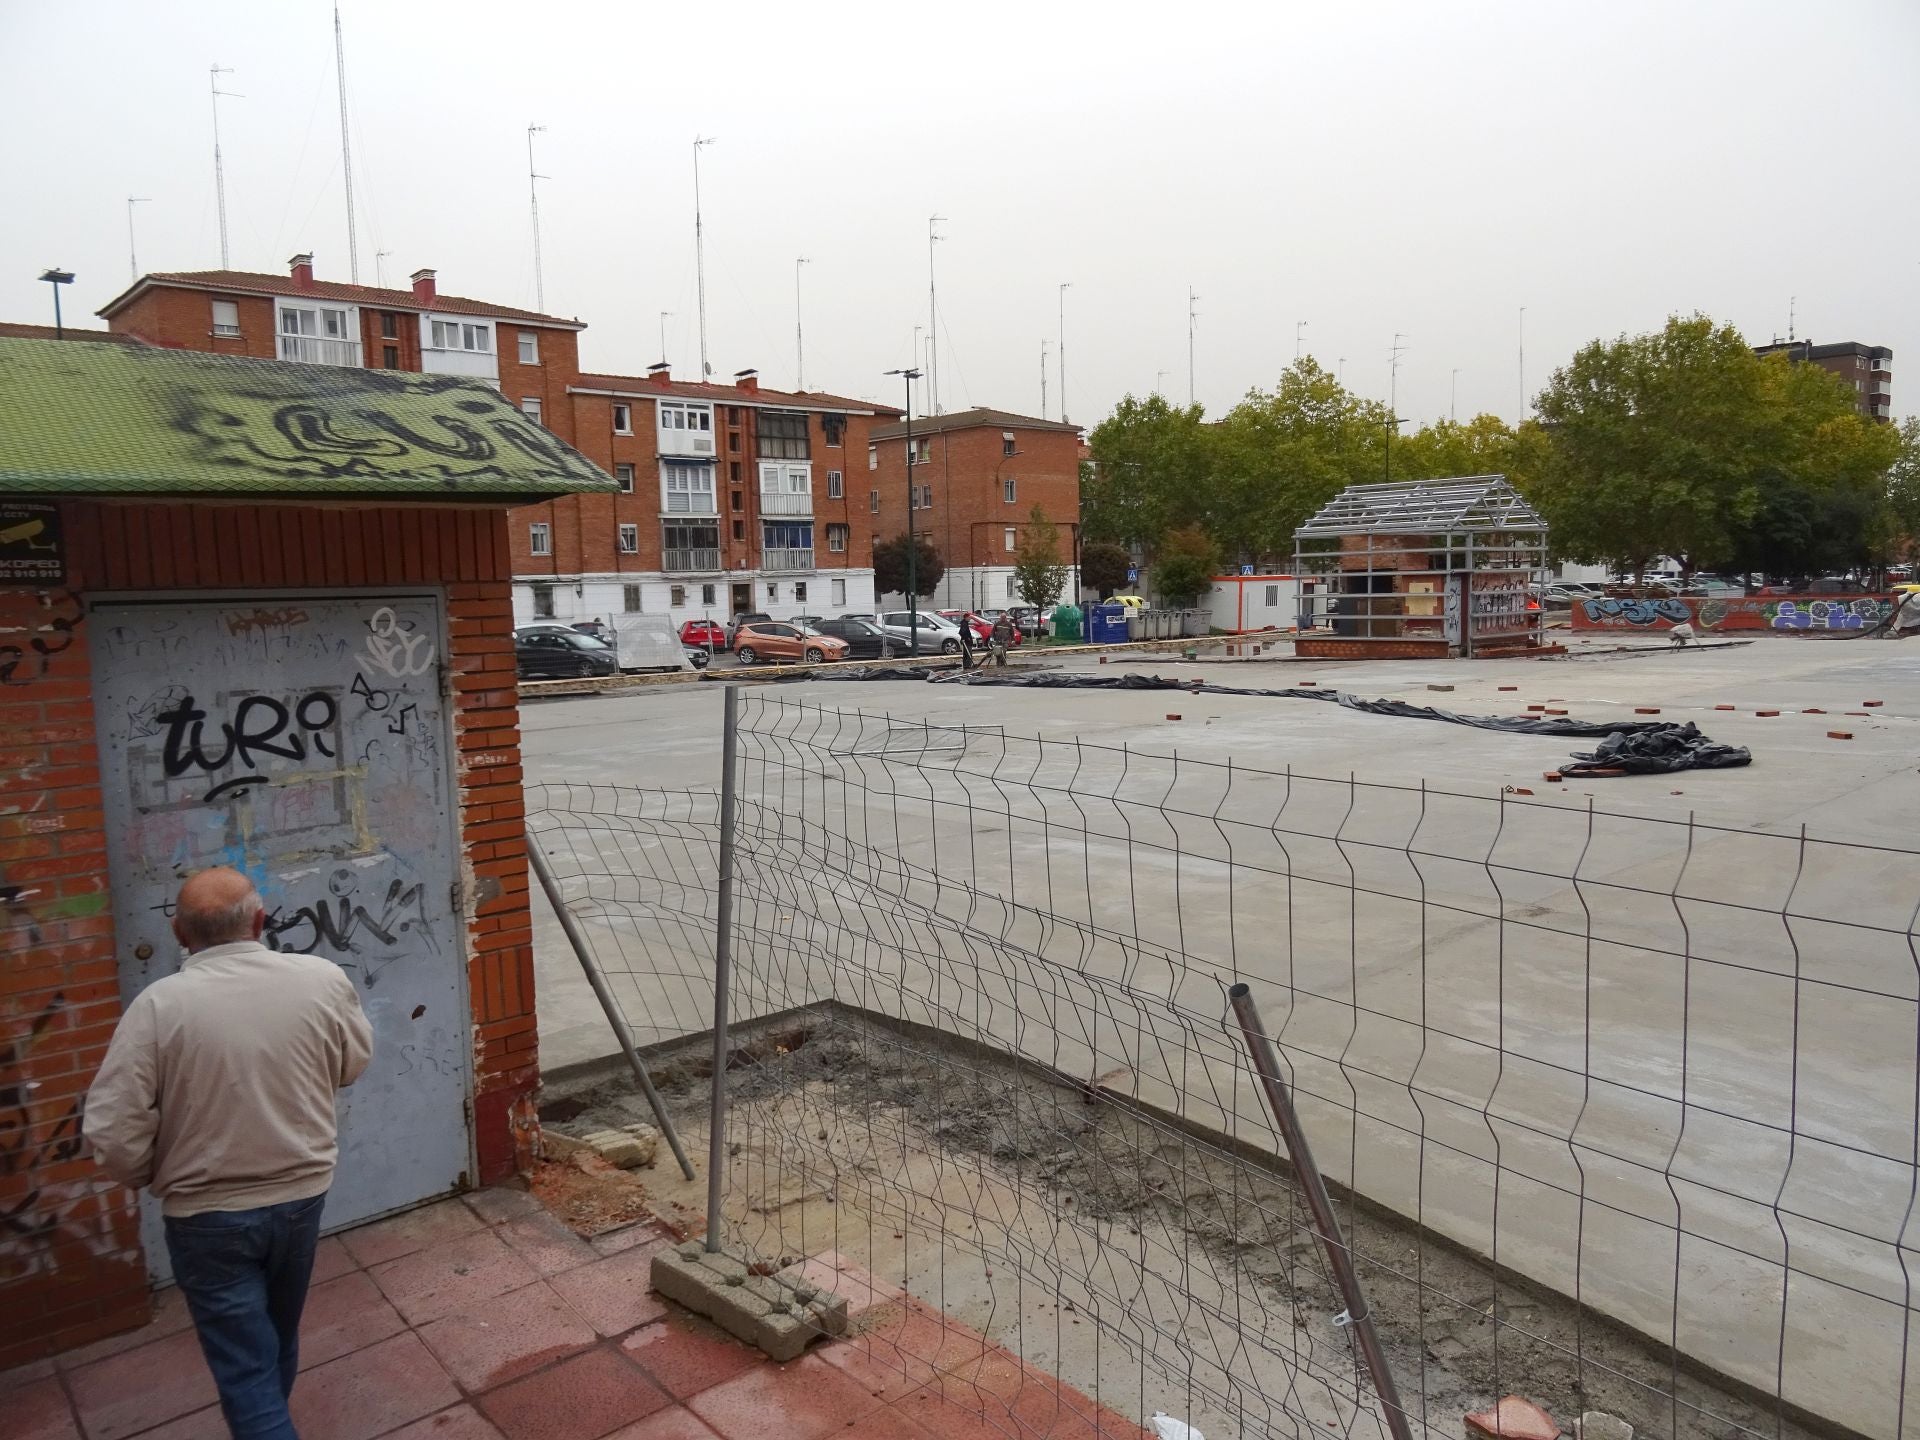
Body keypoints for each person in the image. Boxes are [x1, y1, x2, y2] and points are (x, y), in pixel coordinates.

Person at [85, 868, 373, 1440]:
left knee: (245, 1368)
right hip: (300, 1198)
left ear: (179, 932)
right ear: (260, 921)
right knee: (275, 1339)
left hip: (205, 1217)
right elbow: (352, 1064)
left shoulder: (158, 1007)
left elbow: (113, 1129)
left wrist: (153, 1173)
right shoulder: (319, 978)